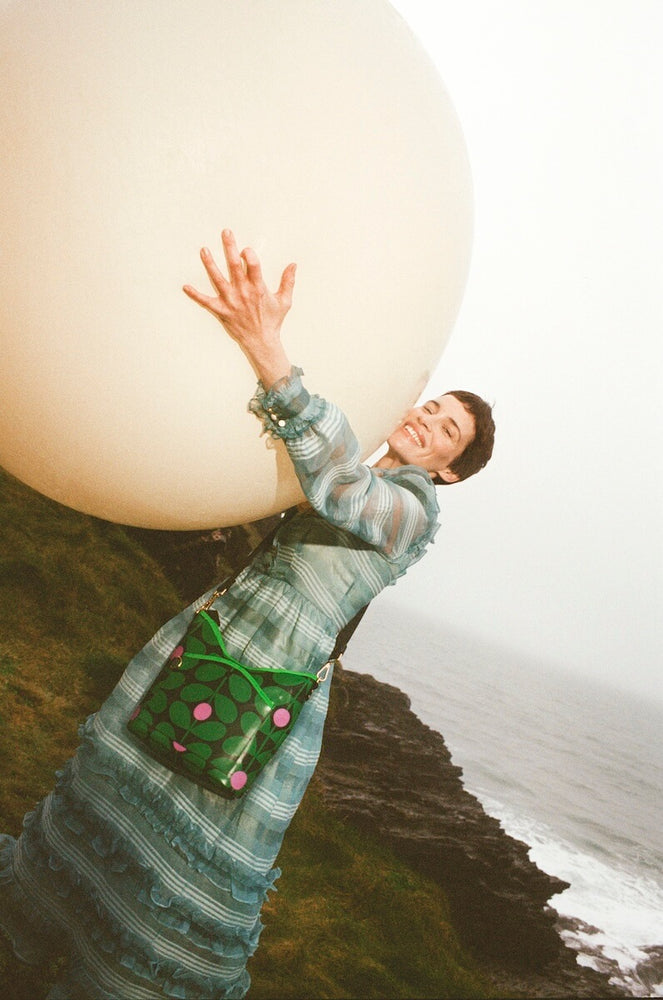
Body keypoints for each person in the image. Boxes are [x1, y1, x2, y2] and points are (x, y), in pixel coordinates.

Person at [0, 230, 494, 999]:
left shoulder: (409, 515)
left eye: (448, 429)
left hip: (268, 685)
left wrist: (267, 346)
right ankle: (39, 928)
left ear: (449, 471)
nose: (429, 419)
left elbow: (338, 488)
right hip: (215, 637)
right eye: (432, 404)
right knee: (116, 787)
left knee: (188, 841)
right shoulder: (357, 464)